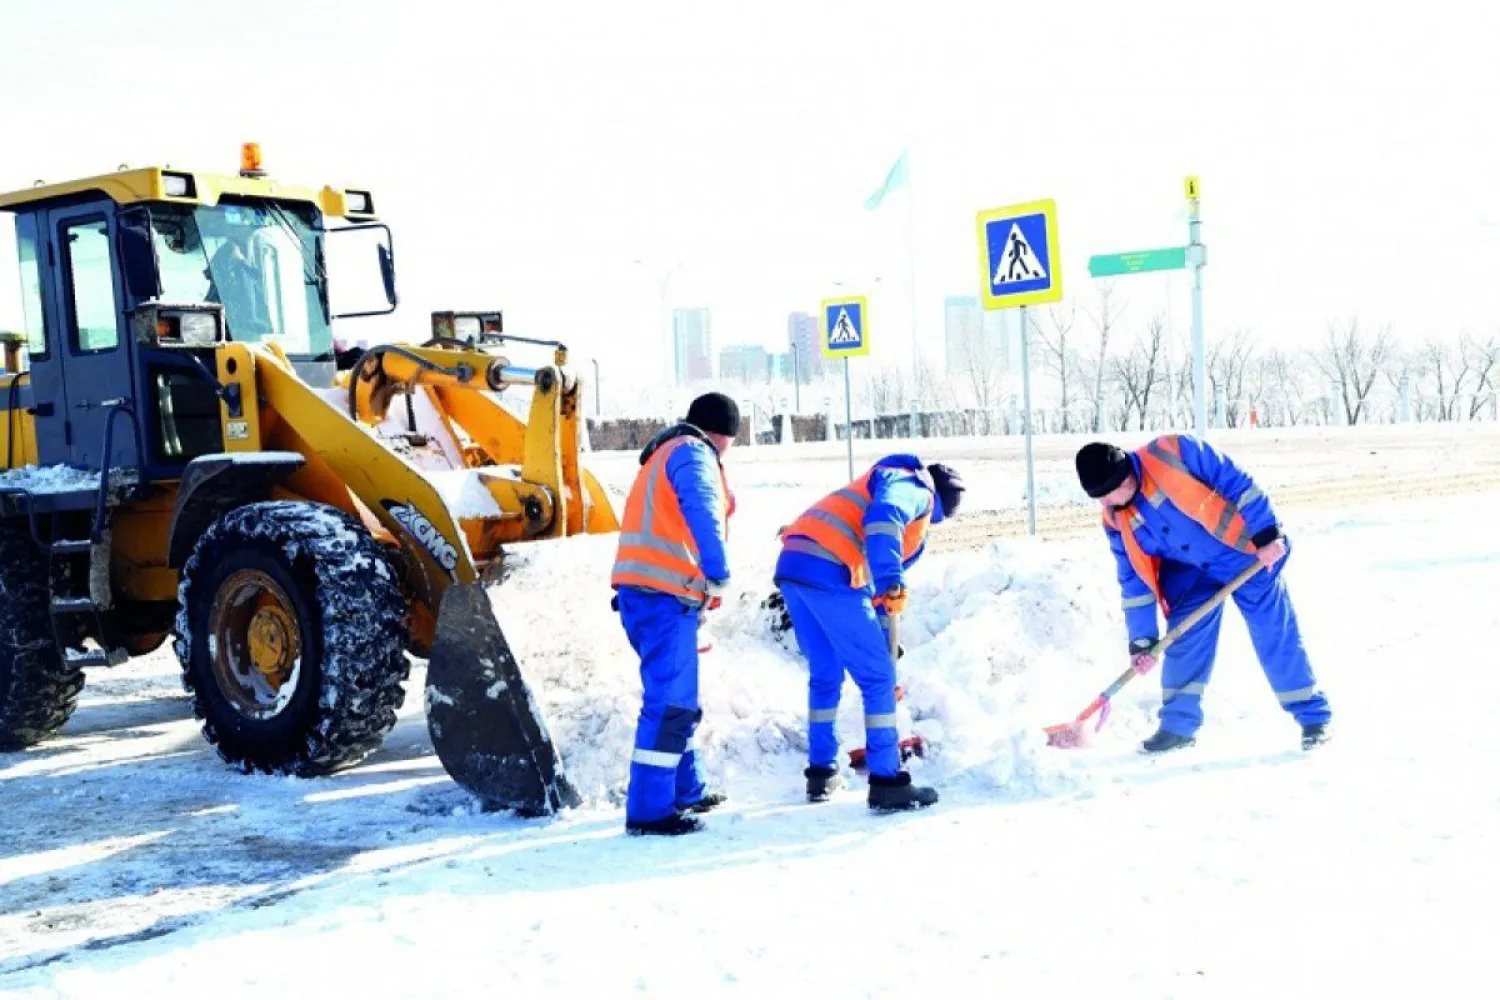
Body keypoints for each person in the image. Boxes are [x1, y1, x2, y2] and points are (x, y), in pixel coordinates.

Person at [1075, 435, 1332, 753]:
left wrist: (1267, 534)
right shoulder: (1115, 519)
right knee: (1184, 641)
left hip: (1244, 554)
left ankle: (1313, 718)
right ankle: (1177, 729)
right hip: (1189, 575)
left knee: (1273, 634)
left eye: (1107, 494)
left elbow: (1239, 484)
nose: (1105, 504)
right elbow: (1133, 581)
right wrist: (1142, 642)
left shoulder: (1174, 452)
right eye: (1097, 498)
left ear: (1125, 477)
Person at [773, 455, 966, 811]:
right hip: (830, 567)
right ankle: (886, 780)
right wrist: (894, 581)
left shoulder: (882, 480)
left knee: (826, 673)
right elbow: (884, 520)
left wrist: (882, 634)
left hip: (795, 564)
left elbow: (874, 593)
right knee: (878, 679)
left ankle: (821, 772)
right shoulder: (915, 488)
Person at [611, 392, 740, 836]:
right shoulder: (693, 453)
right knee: (670, 705)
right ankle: (649, 811)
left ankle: (687, 789)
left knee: (678, 700)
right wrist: (718, 572)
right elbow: (702, 506)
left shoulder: (663, 454)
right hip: (661, 595)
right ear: (722, 435)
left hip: (646, 594)